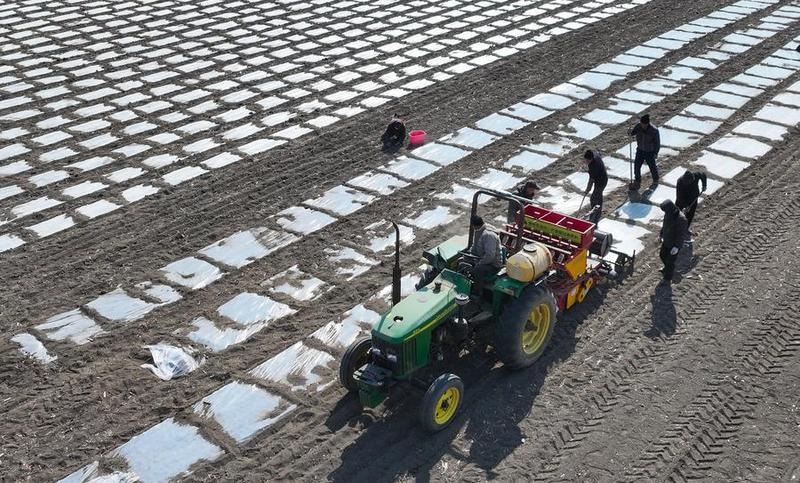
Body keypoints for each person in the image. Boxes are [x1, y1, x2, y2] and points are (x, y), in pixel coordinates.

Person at [469, 215, 503, 292]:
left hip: (493, 264)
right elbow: (475, 245)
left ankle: (477, 292)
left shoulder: (489, 235)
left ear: (474, 225)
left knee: (478, 270)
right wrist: (469, 255)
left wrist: (479, 263)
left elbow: (490, 256)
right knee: (462, 261)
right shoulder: (479, 231)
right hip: (482, 258)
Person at [658, 200, 688, 282]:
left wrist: (676, 247)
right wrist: (661, 235)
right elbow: (664, 225)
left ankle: (667, 278)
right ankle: (667, 268)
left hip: (674, 244)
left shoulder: (681, 219)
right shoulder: (668, 213)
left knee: (670, 261)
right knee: (662, 255)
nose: (664, 212)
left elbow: (681, 235)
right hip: (667, 240)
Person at [629, 114, 660, 190]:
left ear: (647, 123)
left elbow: (657, 143)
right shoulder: (638, 126)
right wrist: (630, 132)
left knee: (652, 167)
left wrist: (656, 153)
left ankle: (655, 180)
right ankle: (637, 181)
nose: (642, 126)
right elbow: (633, 133)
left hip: (649, 152)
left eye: (644, 125)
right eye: (641, 124)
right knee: (637, 166)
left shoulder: (654, 131)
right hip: (640, 150)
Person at [583, 149, 607, 224]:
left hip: (601, 182)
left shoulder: (594, 166)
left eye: (587, 160)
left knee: (594, 198)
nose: (586, 162)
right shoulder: (595, 154)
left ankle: (594, 214)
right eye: (585, 160)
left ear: (591, 159)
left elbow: (591, 180)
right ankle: (598, 210)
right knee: (599, 196)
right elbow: (596, 151)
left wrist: (587, 190)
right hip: (602, 178)